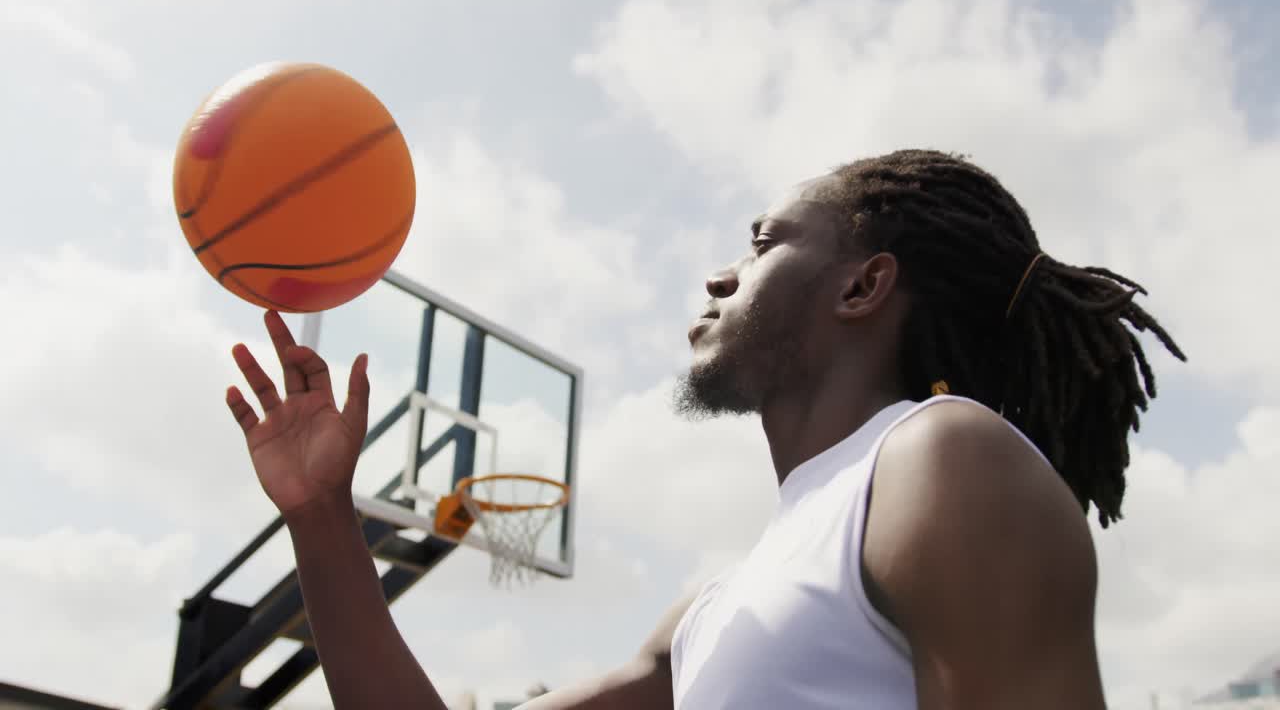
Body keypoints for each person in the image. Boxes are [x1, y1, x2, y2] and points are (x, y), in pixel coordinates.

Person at [225, 149, 1184, 709]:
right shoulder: (712, 609)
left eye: (763, 243)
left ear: (863, 285)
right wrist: (320, 516)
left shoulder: (945, 459)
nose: (723, 275)